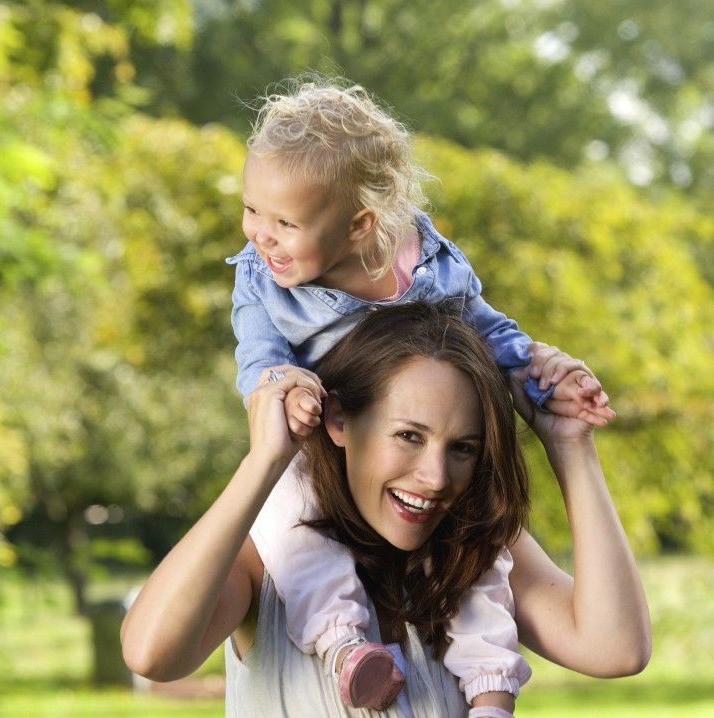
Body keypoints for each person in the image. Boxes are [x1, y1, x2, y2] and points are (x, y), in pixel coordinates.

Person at [225, 77, 616, 711]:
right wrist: (279, 388)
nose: (260, 236)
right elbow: (259, 358)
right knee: (296, 528)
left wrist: (534, 372)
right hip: (313, 448)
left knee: (483, 564)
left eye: (285, 222)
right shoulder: (262, 281)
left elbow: (481, 323)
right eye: (251, 210)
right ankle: (344, 646)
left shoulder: (424, 261)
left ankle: (490, 689)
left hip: (373, 466)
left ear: (360, 224)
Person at [120, 303, 650, 717]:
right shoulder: (271, 553)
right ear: (340, 422)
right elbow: (153, 655)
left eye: (462, 448)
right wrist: (266, 460)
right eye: (408, 436)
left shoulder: (477, 550)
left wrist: (570, 444)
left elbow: (616, 648)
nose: (437, 477)